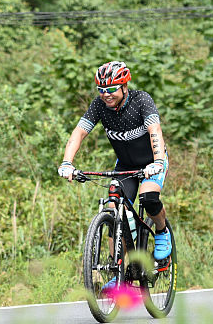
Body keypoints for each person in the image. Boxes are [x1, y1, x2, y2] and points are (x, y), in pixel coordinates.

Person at [58, 60, 172, 261]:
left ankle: (162, 231)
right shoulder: (99, 106)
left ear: (124, 86)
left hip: (152, 161)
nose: (106, 94)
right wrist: (67, 162)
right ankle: (115, 268)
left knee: (148, 197)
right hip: (125, 165)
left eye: (111, 89)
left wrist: (158, 162)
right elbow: (79, 132)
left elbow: (155, 130)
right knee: (114, 209)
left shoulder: (141, 100)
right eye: (101, 90)